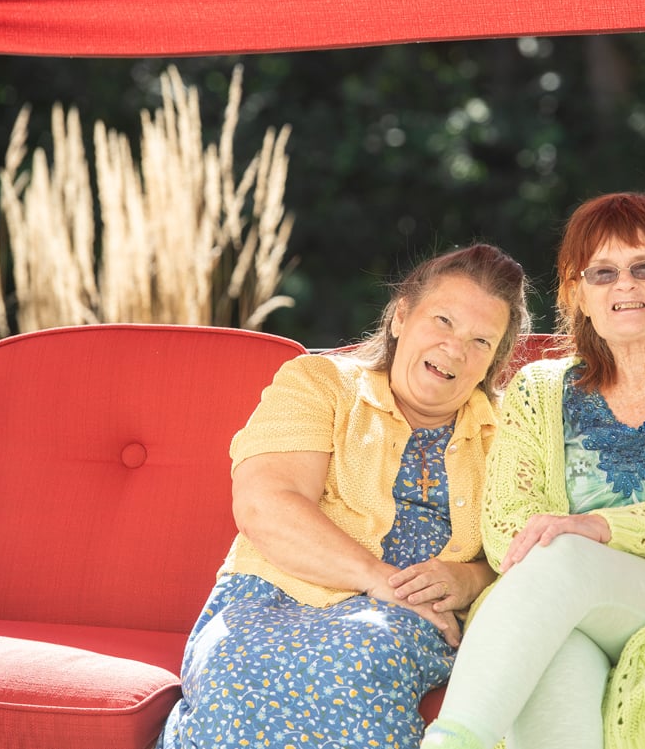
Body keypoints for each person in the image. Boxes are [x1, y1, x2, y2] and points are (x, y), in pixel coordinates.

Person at [420, 192, 645, 749]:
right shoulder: (537, 391)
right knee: (550, 647)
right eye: (602, 273)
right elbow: (509, 534)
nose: (625, 286)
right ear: (576, 296)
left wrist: (594, 530)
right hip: (564, 599)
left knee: (558, 553)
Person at [161, 243, 531, 749]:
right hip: (273, 595)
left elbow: (535, 549)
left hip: (410, 614)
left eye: (480, 341)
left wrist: (470, 578)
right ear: (401, 315)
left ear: (494, 361)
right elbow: (266, 503)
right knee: (235, 666)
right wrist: (376, 579)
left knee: (355, 657)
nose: (454, 349)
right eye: (443, 321)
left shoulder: (512, 431)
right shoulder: (320, 384)